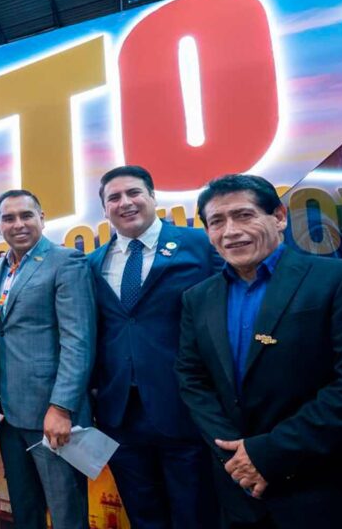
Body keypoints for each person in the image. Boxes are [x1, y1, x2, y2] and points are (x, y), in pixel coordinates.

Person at [176, 174, 342, 529]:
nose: (230, 231)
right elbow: (192, 380)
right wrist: (235, 455)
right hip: (240, 492)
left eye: (244, 215)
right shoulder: (197, 298)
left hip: (329, 490)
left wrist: (267, 454)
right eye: (217, 221)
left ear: (278, 217)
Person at [89, 166, 220, 528]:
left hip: (184, 407)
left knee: (195, 515)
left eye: (134, 193)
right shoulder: (92, 263)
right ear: (105, 209)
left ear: (152, 197)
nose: (125, 202)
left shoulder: (199, 245)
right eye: (114, 198)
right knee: (143, 516)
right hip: (120, 414)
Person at [0, 190, 95, 529]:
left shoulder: (66, 261)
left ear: (42, 218)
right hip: (8, 416)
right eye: (9, 218)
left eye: (26, 215)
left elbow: (78, 340)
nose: (18, 224)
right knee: (24, 510)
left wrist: (61, 407)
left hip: (51, 415)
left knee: (66, 513)